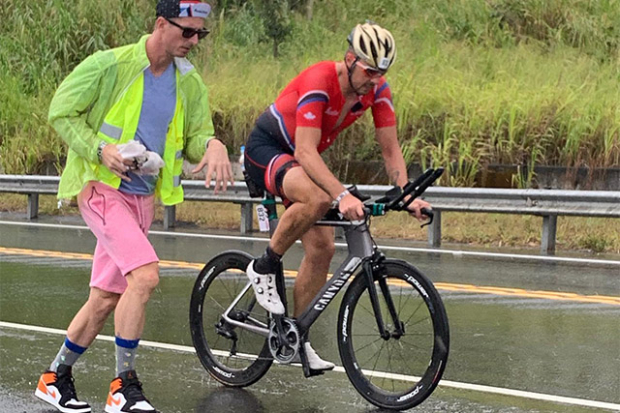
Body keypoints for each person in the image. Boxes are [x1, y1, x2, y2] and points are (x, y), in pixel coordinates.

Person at [34, 1, 232, 412]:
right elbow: (61, 111)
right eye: (187, 31)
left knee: (105, 298)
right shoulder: (110, 64)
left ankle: (54, 378)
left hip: (142, 199)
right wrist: (100, 148)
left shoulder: (189, 82)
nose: (194, 41)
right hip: (101, 188)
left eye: (200, 33)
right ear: (161, 24)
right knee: (144, 276)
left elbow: (196, 138)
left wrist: (214, 144)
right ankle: (123, 386)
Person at [243, 22, 432, 371]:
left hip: (301, 158)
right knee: (319, 199)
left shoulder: (377, 90)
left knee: (323, 249)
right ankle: (264, 266)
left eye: (382, 73)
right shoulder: (321, 80)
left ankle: (297, 339)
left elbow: (390, 149)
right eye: (370, 71)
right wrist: (341, 194)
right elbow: (305, 149)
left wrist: (406, 195)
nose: (376, 80)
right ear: (349, 59)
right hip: (268, 149)